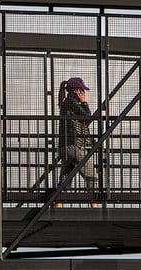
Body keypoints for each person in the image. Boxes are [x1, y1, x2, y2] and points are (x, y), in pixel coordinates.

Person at [56, 77, 98, 206]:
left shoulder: (66, 103)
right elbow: (87, 119)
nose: (83, 93)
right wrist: (84, 102)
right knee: (91, 173)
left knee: (66, 175)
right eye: (82, 90)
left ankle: (58, 203)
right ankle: (94, 202)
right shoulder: (71, 102)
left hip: (64, 147)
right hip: (73, 146)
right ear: (76, 90)